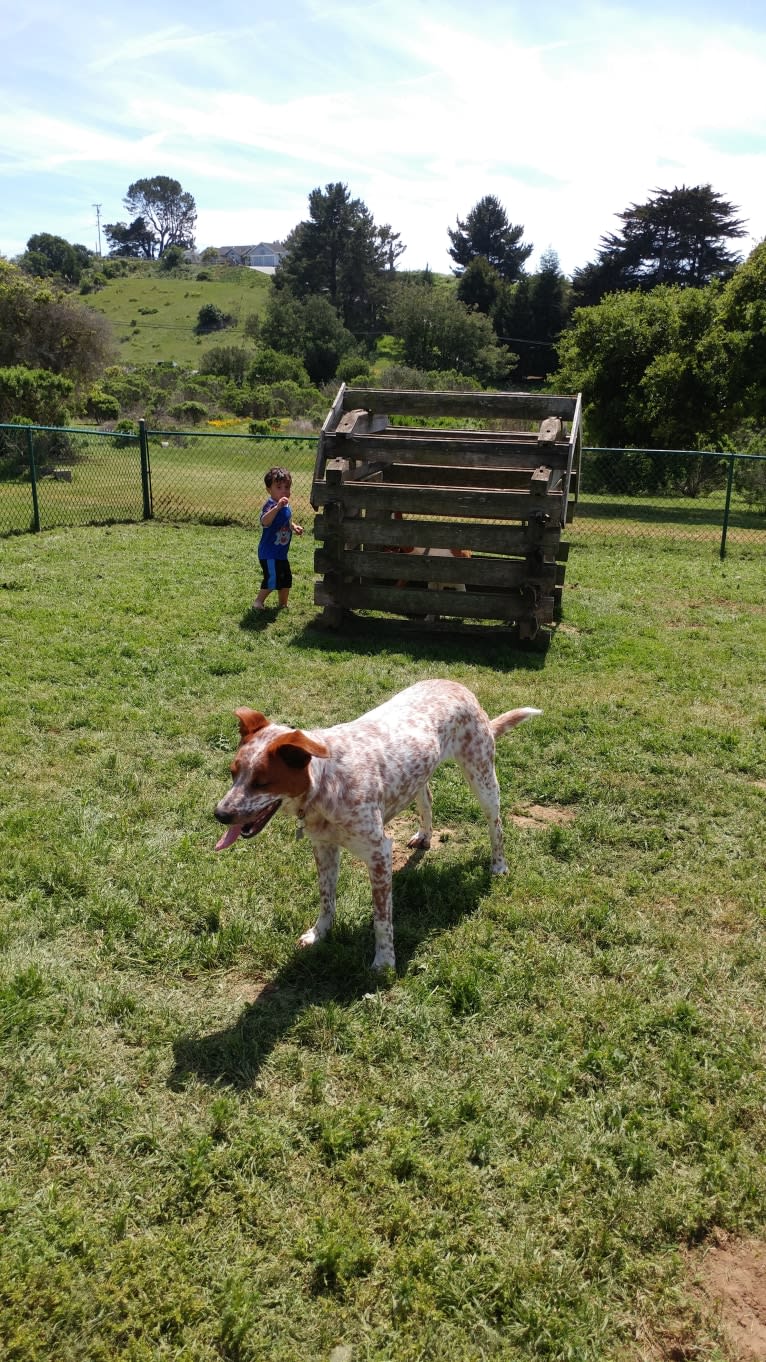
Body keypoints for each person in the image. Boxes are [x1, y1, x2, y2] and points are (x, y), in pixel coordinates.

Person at [252, 466, 303, 610]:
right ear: (269, 490)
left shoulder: (286, 506)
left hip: (281, 553)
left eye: (287, 487)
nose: (284, 491)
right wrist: (277, 508)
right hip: (269, 553)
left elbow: (286, 521)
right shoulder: (270, 506)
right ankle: (258, 602)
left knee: (286, 579)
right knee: (273, 579)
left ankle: (283, 604)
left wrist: (294, 526)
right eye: (279, 487)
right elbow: (265, 521)